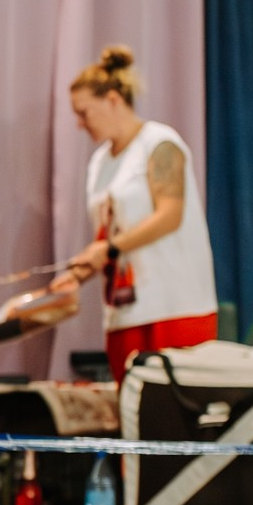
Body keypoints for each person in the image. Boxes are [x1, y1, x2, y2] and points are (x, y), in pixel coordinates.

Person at [53, 46, 217, 381]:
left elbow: (170, 215)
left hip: (174, 305)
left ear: (113, 99)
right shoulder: (100, 161)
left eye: (84, 113)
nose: (79, 124)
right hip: (125, 310)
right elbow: (109, 234)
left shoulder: (159, 142)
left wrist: (110, 249)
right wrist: (81, 270)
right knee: (131, 416)